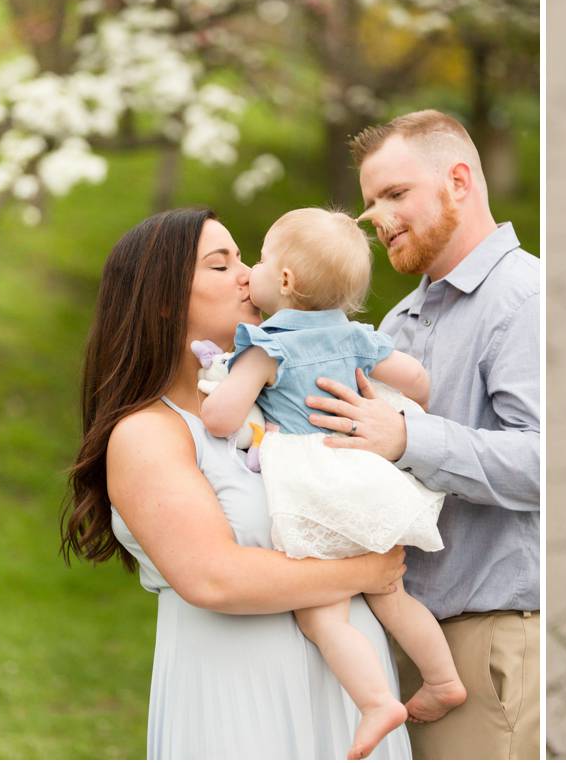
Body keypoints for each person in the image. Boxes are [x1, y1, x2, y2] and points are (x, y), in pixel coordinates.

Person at [61, 208, 412, 759]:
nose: (248, 274)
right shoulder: (149, 433)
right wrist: (369, 569)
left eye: (245, 259)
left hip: (351, 696)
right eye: (221, 266)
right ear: (164, 300)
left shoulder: (280, 402)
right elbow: (215, 578)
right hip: (240, 696)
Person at [306, 110, 540, 759]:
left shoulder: (523, 298)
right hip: (406, 637)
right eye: (370, 202)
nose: (375, 218)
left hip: (489, 639)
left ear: (459, 180)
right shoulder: (396, 325)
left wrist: (409, 436)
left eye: (394, 195)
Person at [200, 207, 467, 759]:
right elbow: (419, 384)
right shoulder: (357, 336)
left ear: (288, 280)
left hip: (314, 487)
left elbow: (223, 420)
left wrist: (226, 384)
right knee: (391, 592)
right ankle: (442, 679)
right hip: (365, 474)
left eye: (263, 259)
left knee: (322, 610)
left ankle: (375, 701)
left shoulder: (269, 345)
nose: (253, 270)